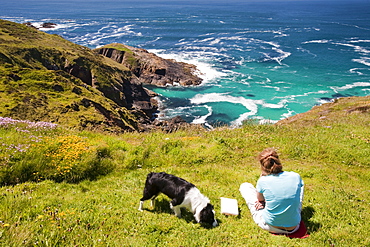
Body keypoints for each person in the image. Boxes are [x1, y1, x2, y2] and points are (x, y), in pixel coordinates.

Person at [239, 148, 304, 234]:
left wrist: (264, 201)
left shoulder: (263, 181)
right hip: (294, 227)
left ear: (262, 166)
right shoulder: (295, 176)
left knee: (245, 186)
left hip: (270, 225)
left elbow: (260, 200)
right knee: (300, 185)